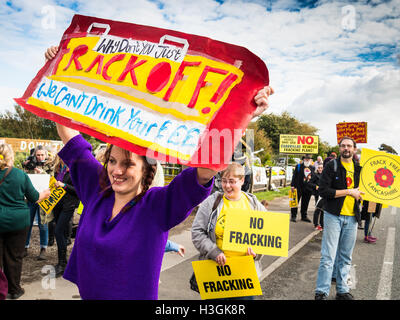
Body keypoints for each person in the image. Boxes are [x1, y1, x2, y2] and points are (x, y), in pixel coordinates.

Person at [43, 45, 272, 300]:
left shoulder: (156, 207)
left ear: (146, 169)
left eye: (128, 164)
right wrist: (58, 70)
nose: (116, 171)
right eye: (112, 161)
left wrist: (243, 113)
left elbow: (206, 169)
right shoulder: (96, 189)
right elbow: (69, 134)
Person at [191, 162, 267, 299]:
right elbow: (197, 232)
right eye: (223, 181)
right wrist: (214, 251)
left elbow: (267, 235)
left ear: (242, 180)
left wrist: (257, 252)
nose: (227, 186)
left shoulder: (254, 205)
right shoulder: (211, 203)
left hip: (244, 277)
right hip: (215, 274)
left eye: (232, 181)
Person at [315, 136, 364, 300]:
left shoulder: (359, 169)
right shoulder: (332, 166)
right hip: (333, 216)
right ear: (339, 148)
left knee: (345, 256)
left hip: (352, 218)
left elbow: (365, 192)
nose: (346, 148)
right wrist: (349, 192)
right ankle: (321, 291)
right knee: (328, 256)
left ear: (354, 149)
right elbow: (323, 191)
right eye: (343, 146)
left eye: (349, 146)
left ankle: (342, 291)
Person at [0, 143, 50, 299]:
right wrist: (45, 194)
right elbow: (34, 197)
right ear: (10, 156)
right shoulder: (20, 175)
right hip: (18, 221)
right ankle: (14, 290)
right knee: (14, 256)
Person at [50, 156, 80, 277]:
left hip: (68, 205)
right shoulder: (58, 170)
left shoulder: (74, 170)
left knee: (58, 231)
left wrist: (64, 186)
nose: (63, 158)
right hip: (57, 204)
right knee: (60, 232)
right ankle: (62, 262)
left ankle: (62, 264)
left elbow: (78, 191)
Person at [24, 145, 53, 260]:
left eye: (42, 155)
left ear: (46, 155)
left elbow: (53, 180)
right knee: (27, 223)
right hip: (31, 198)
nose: (40, 157)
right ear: (34, 155)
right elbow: (25, 178)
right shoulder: (31, 164)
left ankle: (43, 249)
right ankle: (25, 247)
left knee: (43, 224)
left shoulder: (50, 165)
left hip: (44, 198)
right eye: (38, 155)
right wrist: (26, 168)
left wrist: (43, 173)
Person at [290, 154, 314, 222]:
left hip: (308, 188)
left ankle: (304, 216)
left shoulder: (312, 167)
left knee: (305, 203)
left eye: (308, 159)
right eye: (306, 159)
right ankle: (293, 216)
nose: (307, 160)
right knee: (295, 202)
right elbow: (294, 176)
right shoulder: (299, 166)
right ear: (303, 159)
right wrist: (292, 185)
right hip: (298, 187)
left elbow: (314, 177)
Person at [307, 163, 324, 230]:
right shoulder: (315, 175)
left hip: (324, 195)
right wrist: (315, 186)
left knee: (323, 210)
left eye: (321, 168)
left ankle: (322, 224)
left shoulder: (325, 175)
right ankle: (316, 224)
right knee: (318, 209)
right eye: (319, 168)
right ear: (317, 168)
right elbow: (309, 183)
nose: (320, 169)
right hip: (318, 194)